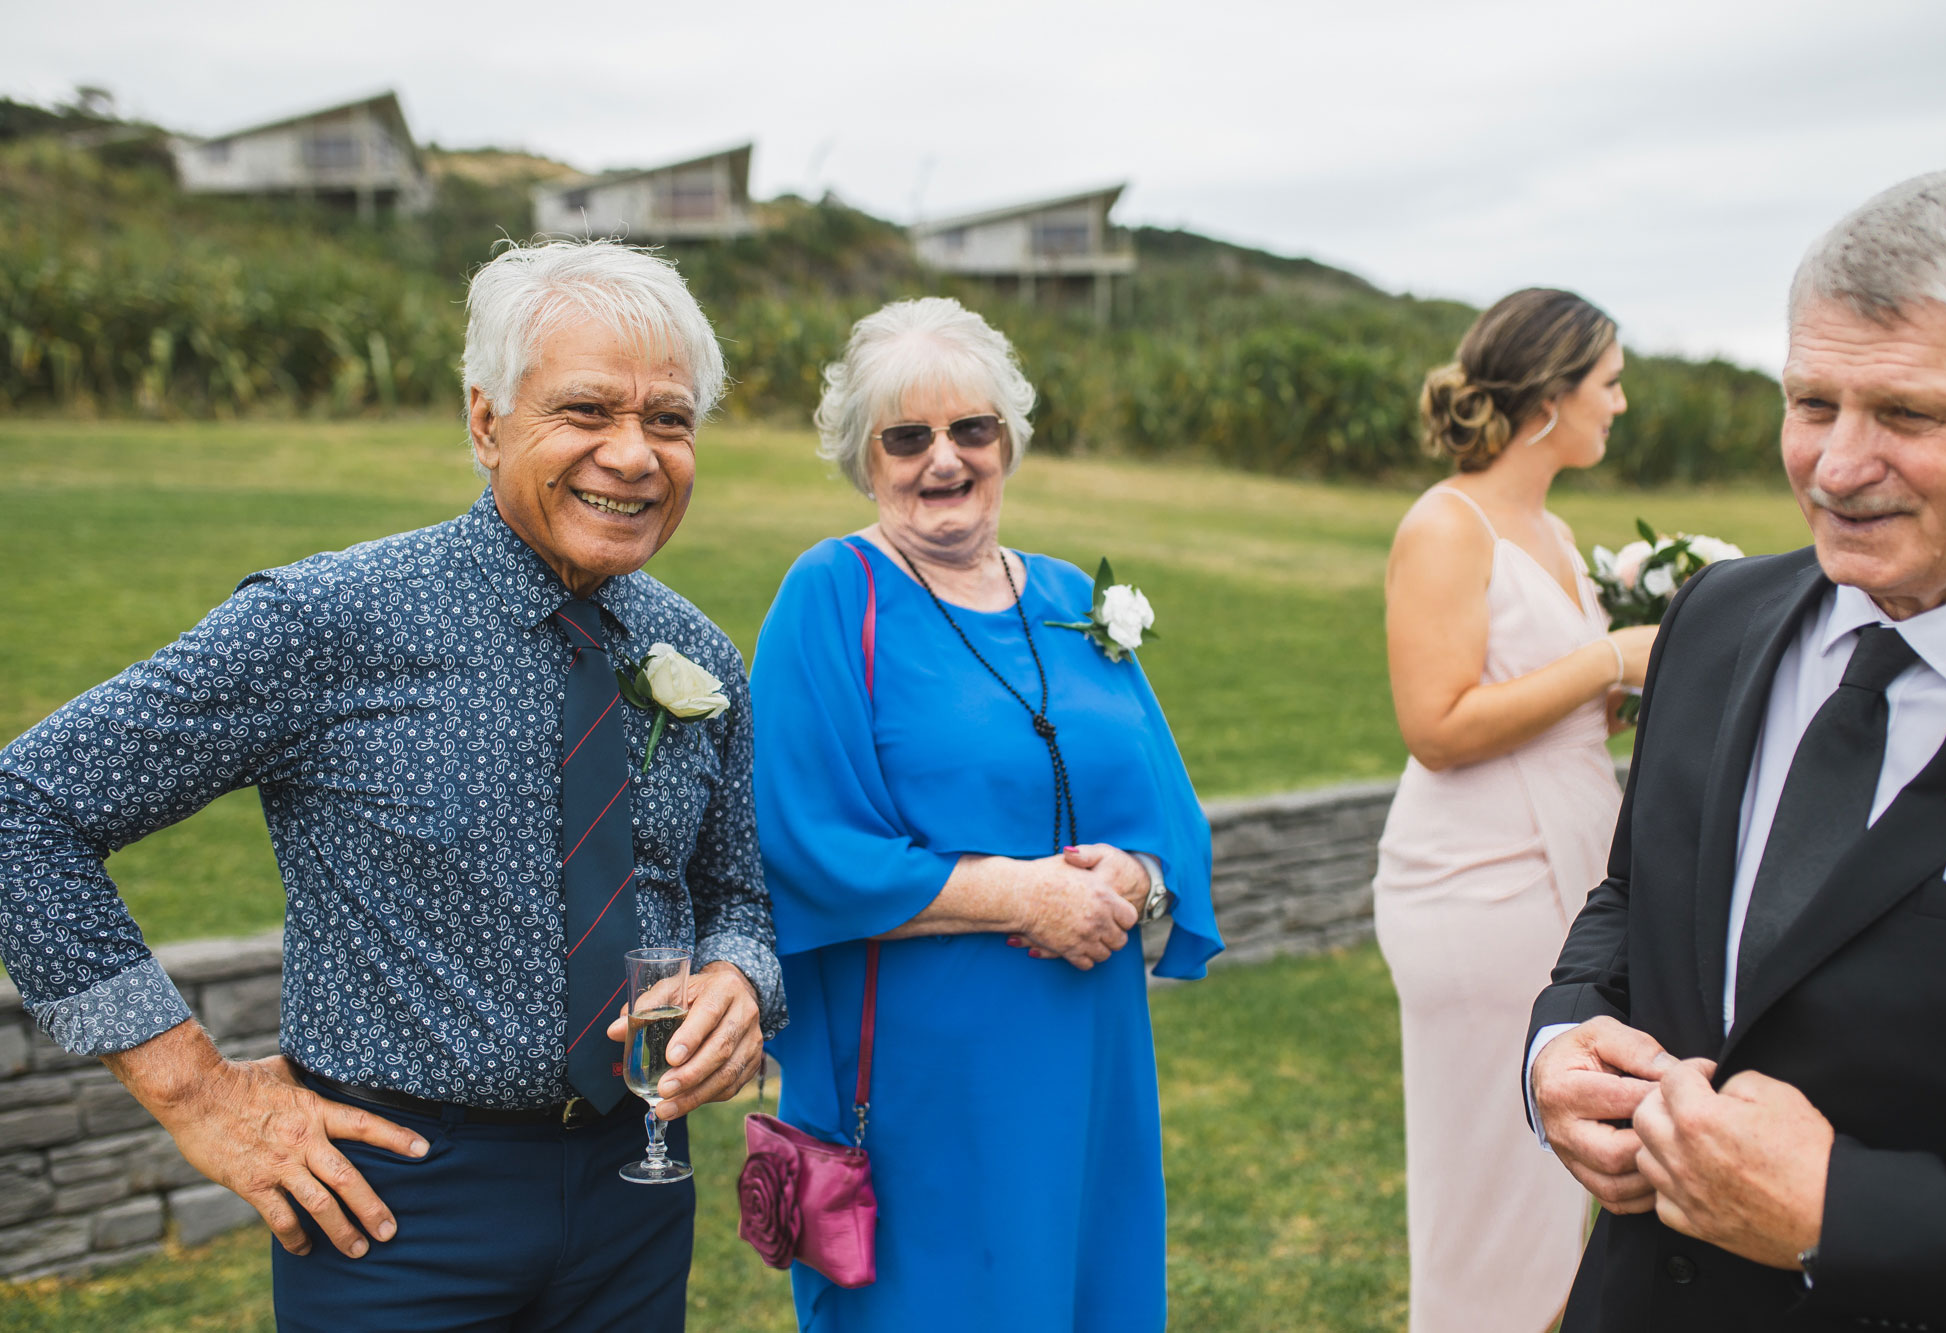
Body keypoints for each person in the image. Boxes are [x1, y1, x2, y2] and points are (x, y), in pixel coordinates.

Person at [0, 239, 781, 1332]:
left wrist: (741, 982)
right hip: (395, 1205)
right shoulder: (330, 622)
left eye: (668, 419)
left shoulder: (698, 652)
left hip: (635, 1187)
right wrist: (198, 1095)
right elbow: (23, 810)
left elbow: (738, 891)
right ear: (484, 421)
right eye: (587, 411)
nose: (633, 455)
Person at [1527, 167, 1946, 1331]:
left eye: (1906, 414)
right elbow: (1633, 893)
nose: (1834, 468)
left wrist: (1847, 1210)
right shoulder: (1717, 617)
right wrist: (1558, 1041)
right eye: (1809, 403)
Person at [749, 296, 1222, 1332]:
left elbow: (1169, 808)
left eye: (971, 430)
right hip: (928, 1072)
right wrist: (1022, 894)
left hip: (1089, 1052)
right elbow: (801, 840)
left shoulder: (1065, 595)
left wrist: (1135, 879)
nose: (944, 459)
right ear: (862, 458)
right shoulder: (830, 593)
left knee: (1082, 1285)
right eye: (906, 436)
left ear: (1007, 440)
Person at [1374, 287, 1657, 1332]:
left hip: (1564, 858)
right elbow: (1437, 724)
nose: (1619, 404)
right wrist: (1607, 658)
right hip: (1476, 885)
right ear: (1548, 397)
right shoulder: (1444, 526)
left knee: (1550, 1195)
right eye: (1609, 381)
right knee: (1486, 1192)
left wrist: (1635, 691)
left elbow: (1547, 706)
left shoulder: (1547, 524)